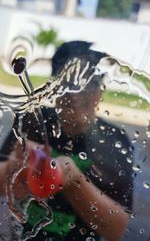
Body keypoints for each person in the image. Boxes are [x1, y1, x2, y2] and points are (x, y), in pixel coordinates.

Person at [0, 41, 134, 241]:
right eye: (67, 84)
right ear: (53, 88)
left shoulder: (114, 142)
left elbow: (117, 229)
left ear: (99, 93)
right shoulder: (32, 120)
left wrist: (75, 181)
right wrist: (12, 168)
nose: (75, 95)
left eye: (89, 85)